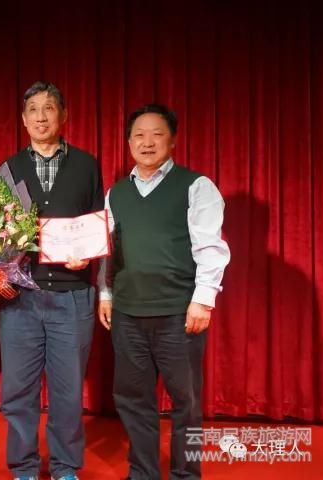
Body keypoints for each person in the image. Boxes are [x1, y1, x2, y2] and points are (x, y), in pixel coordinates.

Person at [98, 104, 230, 479]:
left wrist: (203, 300)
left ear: (172, 140)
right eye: (138, 135)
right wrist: (105, 294)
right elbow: (108, 250)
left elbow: (210, 247)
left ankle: (187, 474)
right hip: (127, 314)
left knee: (186, 402)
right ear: (128, 142)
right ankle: (143, 472)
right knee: (133, 400)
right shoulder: (116, 193)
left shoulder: (196, 186)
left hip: (178, 313)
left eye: (157, 134)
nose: (147, 142)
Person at [0, 81, 104, 480]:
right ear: (23, 120)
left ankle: (64, 467)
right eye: (33, 110)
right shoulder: (7, 170)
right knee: (18, 391)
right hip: (20, 297)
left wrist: (88, 254)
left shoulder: (87, 165)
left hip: (73, 296)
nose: (41, 117)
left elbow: (97, 224)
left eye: (49, 108)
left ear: (64, 115)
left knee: (67, 391)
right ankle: (24, 467)